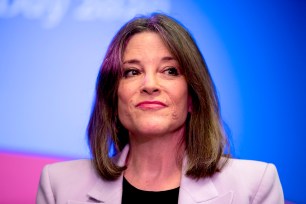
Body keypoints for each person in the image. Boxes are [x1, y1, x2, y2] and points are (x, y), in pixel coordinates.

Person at [36, 13, 284, 204]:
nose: (150, 85)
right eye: (132, 72)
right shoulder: (59, 185)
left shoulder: (254, 185)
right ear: (112, 97)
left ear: (192, 97)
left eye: (170, 71)